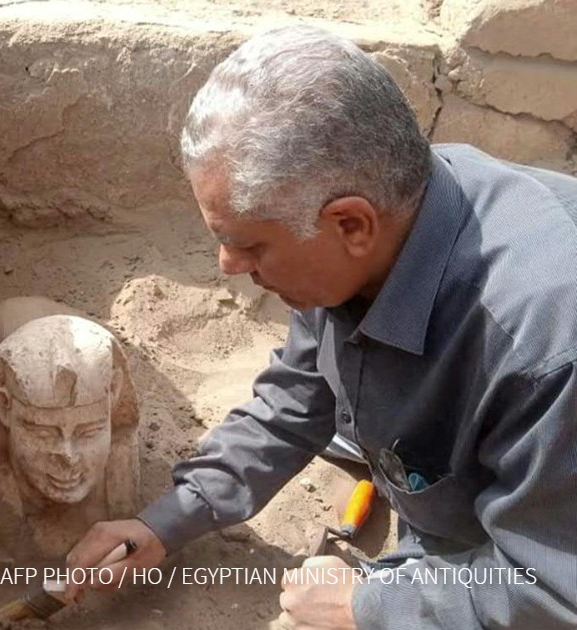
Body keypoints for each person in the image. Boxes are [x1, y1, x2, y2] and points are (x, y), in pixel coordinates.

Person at [64, 24, 577, 630]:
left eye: (248, 245)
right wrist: (168, 519)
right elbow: (298, 395)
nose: (228, 266)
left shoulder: (544, 348)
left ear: (351, 224)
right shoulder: (385, 219)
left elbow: (550, 588)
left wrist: (370, 606)